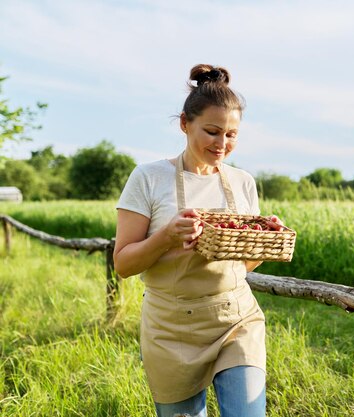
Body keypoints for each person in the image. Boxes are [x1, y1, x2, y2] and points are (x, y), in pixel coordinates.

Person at [114, 64, 281, 417]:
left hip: (235, 318)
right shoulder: (148, 178)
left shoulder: (243, 182)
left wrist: (264, 239)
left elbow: (243, 266)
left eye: (232, 135)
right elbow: (124, 264)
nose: (222, 144)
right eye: (212, 131)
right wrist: (166, 237)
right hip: (171, 326)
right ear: (184, 124)